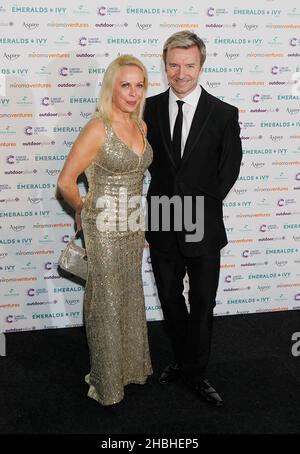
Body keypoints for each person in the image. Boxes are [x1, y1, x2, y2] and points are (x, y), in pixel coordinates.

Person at [144, 31, 242, 407]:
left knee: (202, 302)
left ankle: (196, 373)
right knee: (170, 299)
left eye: (189, 65)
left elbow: (229, 167)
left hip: (202, 222)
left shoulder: (223, 112)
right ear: (165, 64)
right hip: (164, 219)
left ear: (201, 64)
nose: (181, 73)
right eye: (173, 65)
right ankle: (184, 361)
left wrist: (203, 206)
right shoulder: (148, 109)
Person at [57, 55, 153, 406]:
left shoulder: (141, 126)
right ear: (111, 87)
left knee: (128, 296)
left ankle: (129, 370)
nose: (132, 92)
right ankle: (107, 383)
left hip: (133, 225)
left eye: (139, 85)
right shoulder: (98, 127)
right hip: (105, 229)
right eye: (125, 85)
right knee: (106, 303)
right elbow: (66, 182)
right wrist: (83, 208)